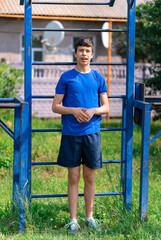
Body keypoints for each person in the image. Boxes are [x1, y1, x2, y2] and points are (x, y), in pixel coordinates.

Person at [52, 37, 109, 234]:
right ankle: (73, 220)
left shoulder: (98, 78)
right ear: (75, 53)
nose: (84, 53)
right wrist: (74, 111)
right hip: (71, 134)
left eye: (87, 50)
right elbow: (55, 106)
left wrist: (93, 110)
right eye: (81, 50)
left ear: (92, 54)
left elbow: (106, 107)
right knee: (73, 177)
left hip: (92, 134)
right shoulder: (66, 77)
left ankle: (89, 217)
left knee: (90, 177)